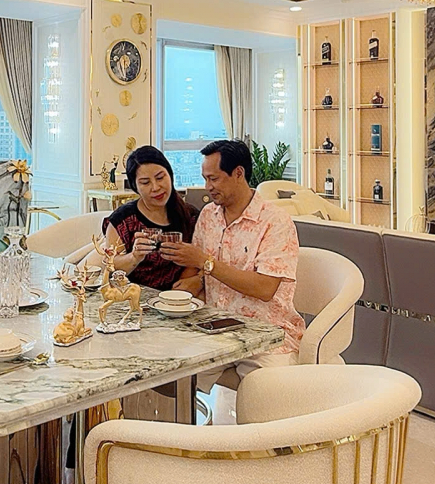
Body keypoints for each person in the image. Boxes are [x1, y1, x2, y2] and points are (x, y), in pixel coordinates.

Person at [161, 139, 301, 369]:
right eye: (205, 179)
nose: (208, 187)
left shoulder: (275, 221)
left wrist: (206, 263)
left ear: (238, 173)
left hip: (266, 335)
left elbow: (265, 289)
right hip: (214, 328)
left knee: (264, 387)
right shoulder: (208, 215)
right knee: (170, 369)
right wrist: (196, 281)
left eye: (214, 178)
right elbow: (197, 270)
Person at [98, 146, 201, 291]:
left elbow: (202, 259)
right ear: (135, 187)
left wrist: (196, 280)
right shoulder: (123, 221)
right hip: (133, 296)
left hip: (179, 297)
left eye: (160, 177)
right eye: (145, 182)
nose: (156, 187)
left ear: (170, 175)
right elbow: (110, 267)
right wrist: (134, 257)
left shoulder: (190, 215)